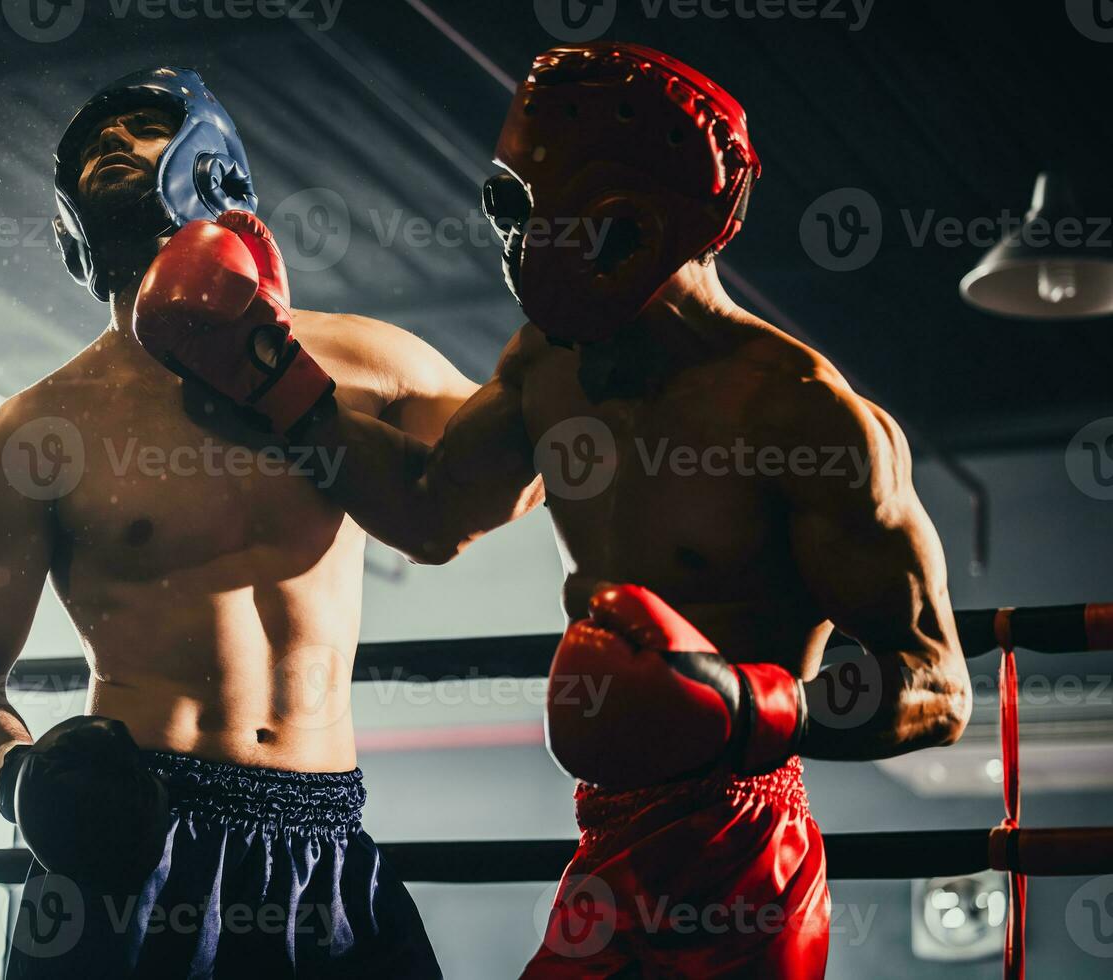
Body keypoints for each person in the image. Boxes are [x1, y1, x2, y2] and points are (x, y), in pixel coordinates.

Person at [136, 45, 973, 977]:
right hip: (609, 834)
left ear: (638, 226)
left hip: (742, 840)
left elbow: (937, 686)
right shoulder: (547, 366)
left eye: (561, 216)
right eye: (513, 207)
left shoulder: (804, 414)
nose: (527, 243)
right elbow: (428, 512)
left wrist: (749, 710)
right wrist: (277, 386)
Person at [0, 66, 471, 978]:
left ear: (213, 167)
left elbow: (489, 491)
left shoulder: (365, 362)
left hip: (325, 837)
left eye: (141, 125)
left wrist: (302, 397)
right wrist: (25, 780)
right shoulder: (40, 428)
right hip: (136, 831)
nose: (109, 143)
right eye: (90, 142)